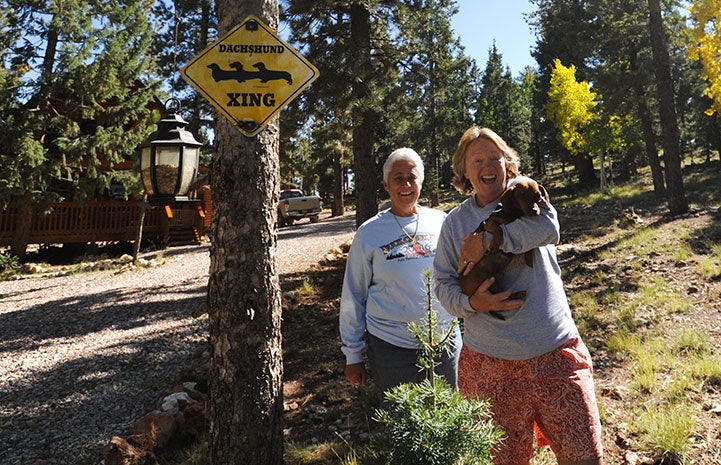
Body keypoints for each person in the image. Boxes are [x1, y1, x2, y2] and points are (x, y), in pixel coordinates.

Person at [433, 127, 604, 465]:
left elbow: (549, 230)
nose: (487, 166)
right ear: (464, 172)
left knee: (584, 456)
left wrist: (487, 241)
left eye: (494, 158)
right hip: (489, 365)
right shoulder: (455, 222)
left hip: (555, 351)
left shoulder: (528, 196)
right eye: (477, 160)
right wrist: (472, 304)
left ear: (507, 163)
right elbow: (442, 283)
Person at [339, 147, 461, 401]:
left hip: (446, 343)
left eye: (411, 177)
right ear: (386, 184)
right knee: (402, 422)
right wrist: (353, 354)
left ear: (421, 181)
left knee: (449, 420)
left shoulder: (442, 222)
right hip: (391, 347)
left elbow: (461, 276)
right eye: (398, 178)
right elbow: (354, 294)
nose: (406, 184)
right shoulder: (370, 232)